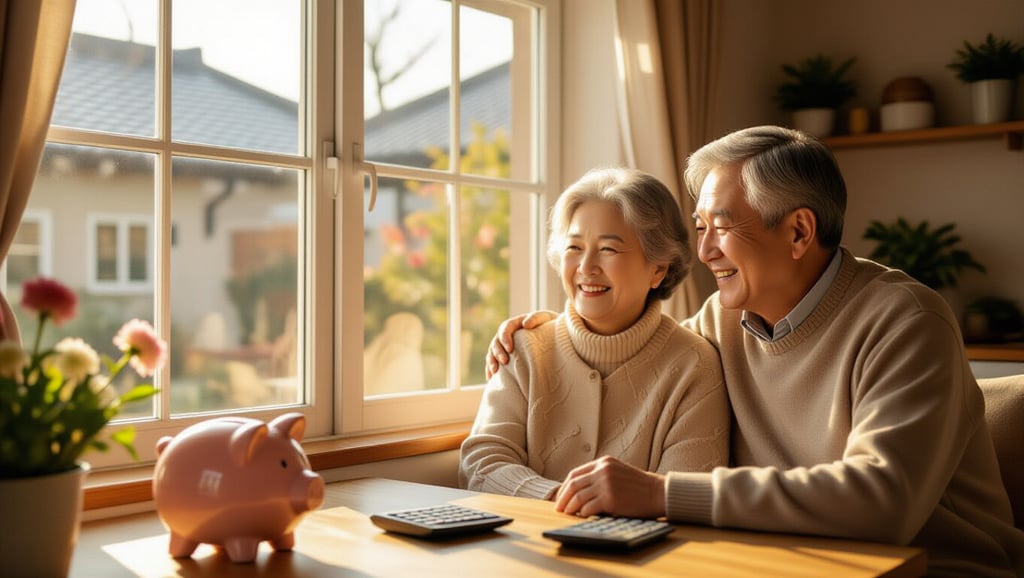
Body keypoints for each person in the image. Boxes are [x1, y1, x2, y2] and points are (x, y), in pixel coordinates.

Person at [485, 126, 1024, 576]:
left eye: (721, 227)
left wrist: (662, 494)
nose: (702, 251)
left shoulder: (906, 321)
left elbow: (884, 502)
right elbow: (639, 340)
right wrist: (552, 331)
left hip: (939, 569)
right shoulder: (719, 323)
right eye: (699, 228)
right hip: (793, 565)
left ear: (798, 231)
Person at [460, 167, 729, 501]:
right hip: (526, 547)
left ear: (658, 268)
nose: (586, 267)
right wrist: (562, 499)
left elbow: (686, 492)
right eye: (574, 247)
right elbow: (482, 463)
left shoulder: (694, 365)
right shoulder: (523, 348)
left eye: (608, 250)